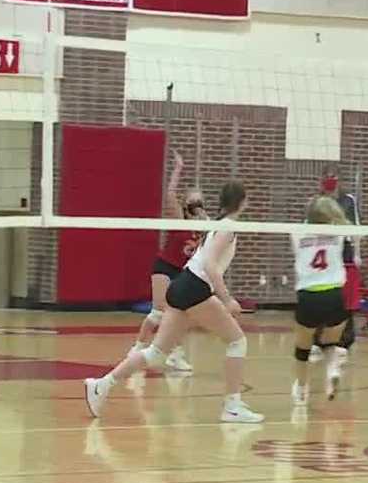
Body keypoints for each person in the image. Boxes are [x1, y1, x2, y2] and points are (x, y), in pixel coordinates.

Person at [84, 182, 263, 424]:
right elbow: (210, 265)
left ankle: (101, 385)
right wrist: (227, 298)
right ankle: (232, 407)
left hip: (182, 284)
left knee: (157, 353)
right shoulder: (227, 227)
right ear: (243, 202)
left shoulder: (215, 225)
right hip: (195, 288)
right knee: (237, 341)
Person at [131, 150, 205, 373]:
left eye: (200, 201)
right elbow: (170, 194)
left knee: (179, 315)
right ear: (186, 204)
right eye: (193, 201)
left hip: (183, 273)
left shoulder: (204, 225)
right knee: (158, 312)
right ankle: (137, 349)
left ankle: (175, 355)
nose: (197, 204)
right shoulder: (178, 218)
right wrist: (178, 169)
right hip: (164, 267)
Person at [290, 196, 352, 405]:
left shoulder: (297, 232)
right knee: (331, 342)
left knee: (303, 349)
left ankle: (301, 390)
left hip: (309, 295)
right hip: (335, 294)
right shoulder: (339, 232)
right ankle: (332, 368)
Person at [308, 165, 361, 362]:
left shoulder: (348, 201)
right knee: (321, 295)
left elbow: (355, 228)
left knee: (344, 298)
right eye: (327, 177)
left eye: (334, 177)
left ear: (339, 179)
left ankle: (344, 342)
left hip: (344, 253)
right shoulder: (315, 202)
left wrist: (357, 253)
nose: (330, 180)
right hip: (323, 254)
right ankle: (318, 340)